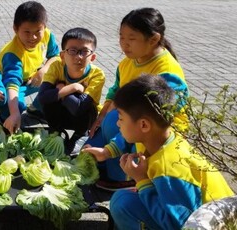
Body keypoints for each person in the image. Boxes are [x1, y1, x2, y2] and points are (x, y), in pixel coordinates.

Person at [86, 75, 234, 229]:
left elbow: (180, 224)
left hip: (206, 224)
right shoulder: (157, 137)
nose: (117, 123)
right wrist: (105, 152)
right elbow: (126, 138)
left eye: (121, 118)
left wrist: (142, 181)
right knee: (124, 199)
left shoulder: (169, 168)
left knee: (123, 202)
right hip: (190, 211)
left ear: (143, 125)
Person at [83, 8, 189, 190]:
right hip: (128, 121)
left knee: (112, 122)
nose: (124, 44)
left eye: (131, 39)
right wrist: (100, 118)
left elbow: (150, 121)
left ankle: (126, 177)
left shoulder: (167, 72)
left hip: (154, 130)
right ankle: (114, 159)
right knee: (90, 150)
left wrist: (108, 150)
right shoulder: (127, 62)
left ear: (154, 39)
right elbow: (115, 90)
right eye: (121, 37)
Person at [0, 1, 60, 134]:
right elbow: (12, 84)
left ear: (44, 27)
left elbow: (55, 56)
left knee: (60, 81)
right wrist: (15, 113)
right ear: (15, 29)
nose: (33, 37)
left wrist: (44, 70)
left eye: (37, 31)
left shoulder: (47, 35)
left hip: (30, 79)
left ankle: (36, 109)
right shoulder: (12, 54)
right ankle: (6, 117)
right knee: (16, 105)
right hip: (5, 85)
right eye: (27, 32)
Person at [37, 27, 105, 154]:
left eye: (84, 51)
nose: (78, 57)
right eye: (72, 51)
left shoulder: (97, 74)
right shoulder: (57, 66)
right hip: (62, 112)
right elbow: (42, 97)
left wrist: (61, 89)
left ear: (93, 57)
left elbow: (80, 107)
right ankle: (56, 131)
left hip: (81, 118)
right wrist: (72, 88)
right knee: (49, 102)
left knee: (88, 108)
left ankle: (76, 137)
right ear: (62, 55)